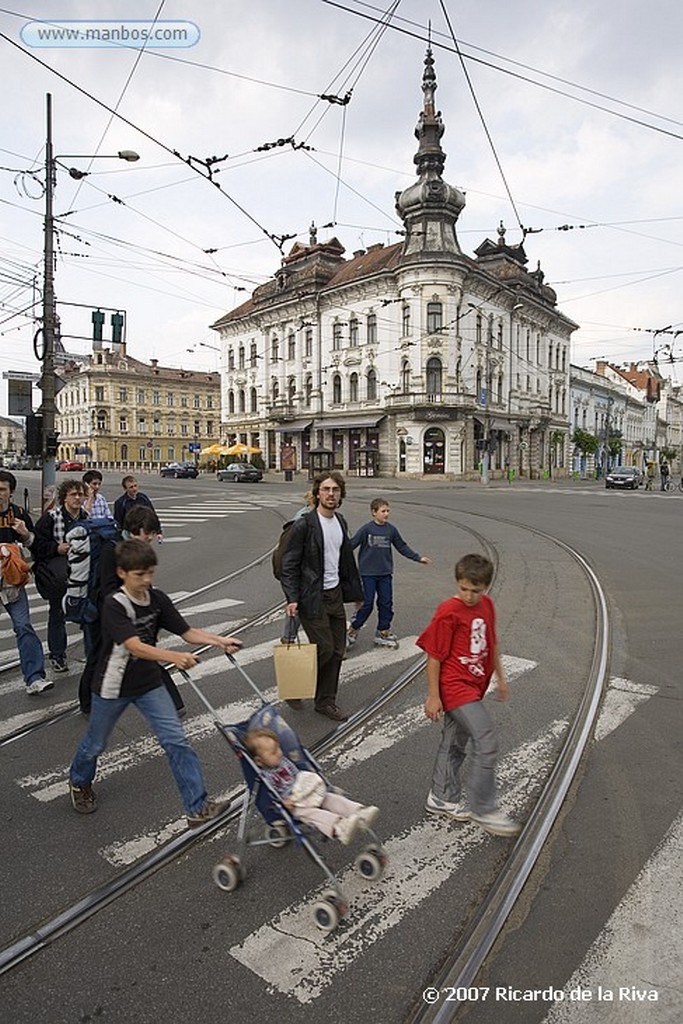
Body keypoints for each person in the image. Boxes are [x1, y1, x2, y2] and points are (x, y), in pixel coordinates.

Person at [68, 538, 242, 826]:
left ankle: (196, 807)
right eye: (140, 575)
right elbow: (134, 646)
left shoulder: (157, 598)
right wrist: (173, 656)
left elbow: (186, 632)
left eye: (150, 573)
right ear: (122, 573)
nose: (146, 580)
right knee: (96, 743)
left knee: (176, 741)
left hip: (147, 683)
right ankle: (79, 780)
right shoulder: (115, 604)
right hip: (113, 686)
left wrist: (220, 640)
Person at [417, 552, 521, 838]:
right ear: (457, 582)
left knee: (455, 743)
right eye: (463, 588)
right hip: (455, 687)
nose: (469, 596)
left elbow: (492, 642)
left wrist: (500, 678)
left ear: (485, 587)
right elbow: (434, 656)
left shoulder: (486, 605)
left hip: (475, 686)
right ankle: (484, 808)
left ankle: (441, 796)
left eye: (476, 590)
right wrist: (433, 696)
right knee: (486, 739)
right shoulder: (448, 611)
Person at [77, 506, 184, 717]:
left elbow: (144, 581)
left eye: (153, 533)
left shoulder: (137, 549)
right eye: (148, 533)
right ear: (136, 529)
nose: (151, 538)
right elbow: (106, 587)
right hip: (106, 613)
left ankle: (174, 703)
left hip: (129, 611)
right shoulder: (111, 548)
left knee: (145, 653)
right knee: (99, 656)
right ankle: (87, 703)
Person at [279, 471, 363, 722]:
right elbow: (289, 564)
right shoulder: (305, 524)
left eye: (335, 490)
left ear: (341, 495)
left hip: (334, 594)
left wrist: (357, 594)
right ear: (317, 493)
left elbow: (346, 560)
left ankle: (325, 701)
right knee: (325, 647)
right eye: (326, 489)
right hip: (310, 596)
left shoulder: (341, 522)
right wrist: (292, 598)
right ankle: (295, 684)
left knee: (338, 650)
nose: (330, 494)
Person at [243, 727, 378, 845]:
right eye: (273, 752)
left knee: (329, 797)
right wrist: (284, 803)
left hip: (303, 792)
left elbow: (298, 774)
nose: (279, 752)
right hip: (294, 804)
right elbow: (271, 796)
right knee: (311, 813)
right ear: (259, 761)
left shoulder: (283, 761)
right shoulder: (264, 777)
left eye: (278, 748)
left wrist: (307, 784)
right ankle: (339, 827)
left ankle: (358, 813)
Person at [347, 497, 431, 648]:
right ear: (374, 512)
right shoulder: (366, 529)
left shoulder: (391, 530)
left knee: (386, 603)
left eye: (388, 511)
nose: (386, 514)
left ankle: (382, 630)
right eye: (383, 511)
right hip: (367, 574)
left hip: (385, 573)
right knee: (367, 605)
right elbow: (351, 545)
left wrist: (418, 558)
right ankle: (353, 629)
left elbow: (402, 546)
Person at [0, 470, 54, 695]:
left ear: (11, 492)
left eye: (2, 489)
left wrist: (24, 535)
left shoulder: (19, 514)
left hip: (11, 582)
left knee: (23, 626)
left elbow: (36, 546)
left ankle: (34, 678)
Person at [33, 478, 89, 675]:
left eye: (80, 494)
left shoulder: (86, 517)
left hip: (81, 575)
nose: (77, 497)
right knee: (57, 613)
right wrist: (56, 548)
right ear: (64, 497)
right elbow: (36, 545)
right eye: (73, 494)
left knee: (87, 613)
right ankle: (57, 655)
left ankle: (91, 653)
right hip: (58, 576)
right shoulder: (52, 517)